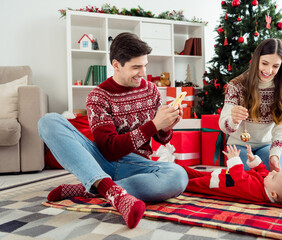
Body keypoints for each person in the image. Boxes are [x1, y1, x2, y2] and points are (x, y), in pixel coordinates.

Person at [38, 32, 189, 229]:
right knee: (48, 121)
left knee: (178, 176)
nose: (143, 73)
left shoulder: (151, 91)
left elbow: (161, 138)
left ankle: (93, 188)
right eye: (136, 67)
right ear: (116, 65)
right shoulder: (98, 96)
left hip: (137, 165)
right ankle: (112, 192)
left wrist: (166, 126)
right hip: (102, 160)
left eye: (144, 65)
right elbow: (109, 150)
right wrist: (153, 125)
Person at [219, 38, 282, 172]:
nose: (268, 70)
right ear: (256, 60)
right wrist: (233, 120)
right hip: (238, 146)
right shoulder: (236, 86)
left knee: (277, 176)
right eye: (264, 63)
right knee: (248, 178)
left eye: (275, 66)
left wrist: (275, 155)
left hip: (266, 146)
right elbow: (224, 127)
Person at [183, 145, 282, 206]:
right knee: (193, 173)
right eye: (277, 172)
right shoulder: (269, 184)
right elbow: (262, 170)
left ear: (273, 194)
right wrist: (254, 160)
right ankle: (179, 169)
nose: (273, 172)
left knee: (191, 183)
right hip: (223, 175)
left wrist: (234, 160)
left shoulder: (256, 191)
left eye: (275, 176)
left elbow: (239, 178)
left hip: (217, 184)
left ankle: (178, 182)